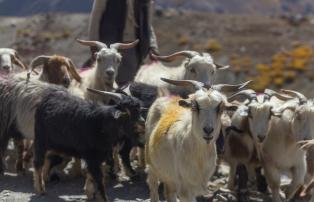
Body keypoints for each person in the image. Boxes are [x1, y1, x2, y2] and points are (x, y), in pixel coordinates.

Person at [88, 0, 159, 85]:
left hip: (133, 48)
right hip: (109, 48)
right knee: (105, 83)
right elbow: (96, 16)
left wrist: (152, 45)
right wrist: (93, 44)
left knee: (129, 84)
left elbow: (146, 23)